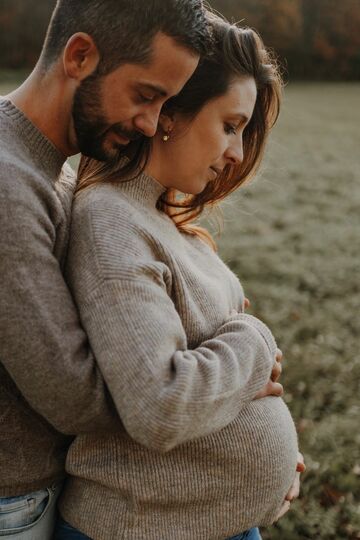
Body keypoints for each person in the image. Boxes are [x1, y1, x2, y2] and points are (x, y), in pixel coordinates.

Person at [55, 16, 303, 540]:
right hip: (135, 527)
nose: (236, 154)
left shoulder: (165, 219)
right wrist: (255, 339)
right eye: (230, 125)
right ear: (172, 113)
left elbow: (219, 387)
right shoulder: (110, 221)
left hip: (199, 519)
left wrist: (271, 468)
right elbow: (160, 404)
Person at [0, 1, 209, 538]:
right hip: (13, 505)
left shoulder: (46, 170)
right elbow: (75, 395)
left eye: (165, 104)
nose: (151, 124)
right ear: (80, 55)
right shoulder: (8, 185)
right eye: (146, 95)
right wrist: (221, 372)